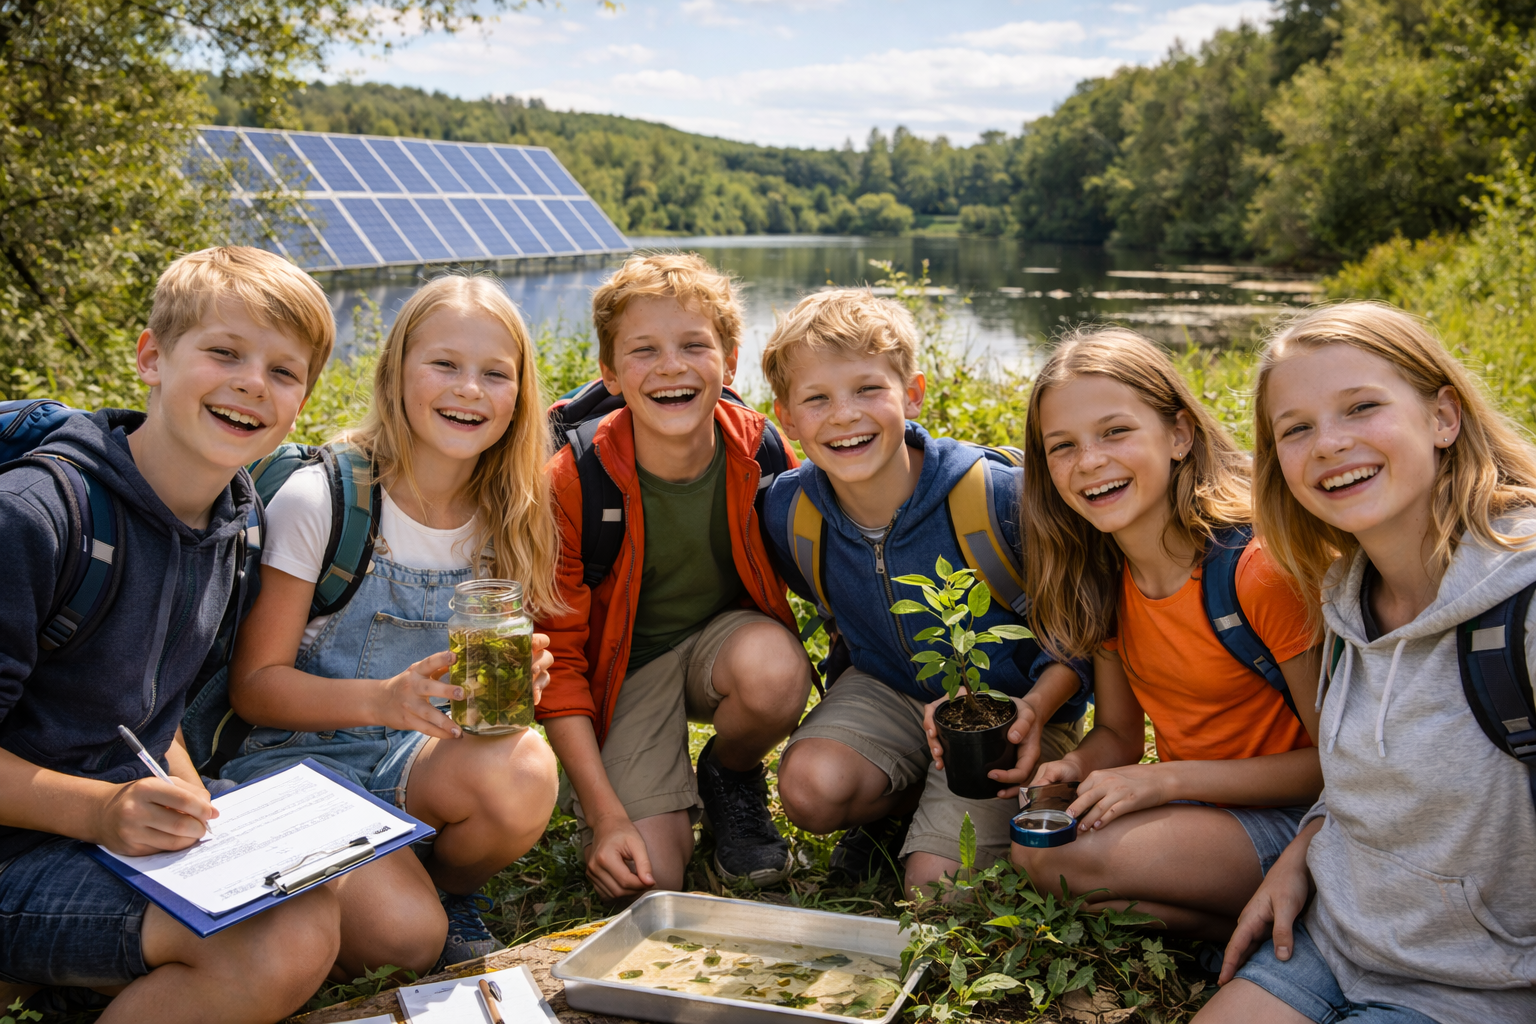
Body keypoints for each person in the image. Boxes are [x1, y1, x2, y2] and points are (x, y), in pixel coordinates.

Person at [0, 247, 340, 1023]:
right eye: (224, 352)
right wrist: (99, 813)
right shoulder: (35, 516)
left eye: (284, 372)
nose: (253, 382)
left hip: (119, 827)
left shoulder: (234, 523)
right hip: (23, 851)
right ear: (151, 357)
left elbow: (147, 709)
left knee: (345, 897)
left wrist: (190, 799)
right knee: (278, 941)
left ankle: (75, 985)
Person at [1198, 303, 1536, 1024]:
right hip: (1330, 945)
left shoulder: (1523, 603)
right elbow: (1361, 777)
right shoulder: (1345, 593)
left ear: (1443, 416)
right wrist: (1302, 854)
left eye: (1361, 407)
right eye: (1296, 429)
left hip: (1478, 990)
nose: (1328, 444)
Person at [221, 275, 559, 978]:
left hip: (415, 763)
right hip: (298, 763)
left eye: (495, 373)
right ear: (396, 371)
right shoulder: (327, 498)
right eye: (444, 364)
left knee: (524, 766)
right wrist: (384, 699)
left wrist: (506, 690)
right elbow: (254, 688)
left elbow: (466, 707)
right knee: (406, 940)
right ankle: (384, 882)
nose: (469, 388)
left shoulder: (509, 515)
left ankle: (441, 882)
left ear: (520, 395)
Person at [763, 289, 1089, 897]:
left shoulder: (996, 497)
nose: (844, 415)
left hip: (1012, 711)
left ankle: (1032, 790)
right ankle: (904, 808)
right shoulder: (790, 508)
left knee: (938, 891)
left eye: (868, 389)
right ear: (786, 417)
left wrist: (1036, 710)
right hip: (887, 687)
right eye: (817, 399)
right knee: (809, 788)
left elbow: (1076, 634)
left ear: (912, 394)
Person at [1015, 327, 1324, 942]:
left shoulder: (1256, 570)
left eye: (1115, 431)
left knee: (1070, 863)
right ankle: (1261, 924)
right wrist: (1072, 767)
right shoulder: (1106, 578)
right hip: (1205, 810)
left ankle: (1297, 905)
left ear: (1179, 434)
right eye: (1063, 446)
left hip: (1301, 818)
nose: (1091, 461)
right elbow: (1119, 735)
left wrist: (1166, 780)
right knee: (1033, 852)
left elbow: (1335, 765)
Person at [537, 252, 812, 901]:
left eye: (694, 344)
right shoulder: (573, 481)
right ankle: (634, 794)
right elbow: (562, 664)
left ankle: (730, 773)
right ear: (609, 370)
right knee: (648, 878)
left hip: (725, 647)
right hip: (622, 672)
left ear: (730, 358)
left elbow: (825, 572)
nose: (671, 367)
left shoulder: (760, 449)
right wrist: (607, 818)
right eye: (644, 350)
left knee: (776, 670)